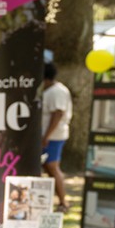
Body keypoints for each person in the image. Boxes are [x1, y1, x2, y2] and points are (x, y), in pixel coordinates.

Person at [42, 62, 72, 212]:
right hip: (49, 136)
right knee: (47, 167)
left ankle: (63, 202)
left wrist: (46, 136)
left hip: (54, 136)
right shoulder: (50, 91)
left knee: (52, 167)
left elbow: (58, 114)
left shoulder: (57, 92)